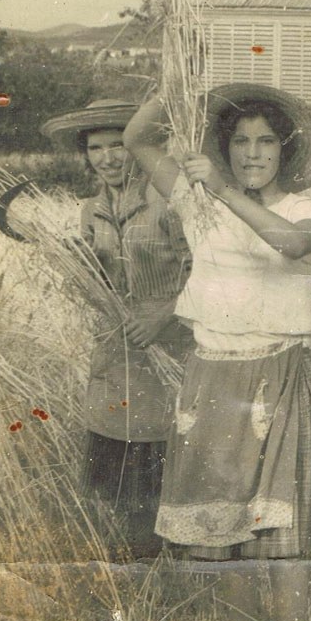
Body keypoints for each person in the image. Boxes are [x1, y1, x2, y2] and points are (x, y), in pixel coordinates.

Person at [123, 83, 311, 621]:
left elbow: (293, 245)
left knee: (275, 519)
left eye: (266, 141)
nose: (253, 152)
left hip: (278, 371)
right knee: (217, 518)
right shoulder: (196, 203)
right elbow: (138, 139)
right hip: (212, 371)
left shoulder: (304, 209)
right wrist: (173, 85)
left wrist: (219, 189)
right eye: (241, 140)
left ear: (284, 151)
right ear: (225, 147)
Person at [40, 99, 193, 560]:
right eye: (95, 147)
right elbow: (99, 283)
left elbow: (207, 268)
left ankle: (175, 560)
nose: (107, 157)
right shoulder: (92, 209)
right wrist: (80, 266)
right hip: (115, 351)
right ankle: (137, 568)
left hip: (171, 345)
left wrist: (163, 314)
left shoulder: (171, 201)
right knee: (121, 465)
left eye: (116, 146)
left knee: (164, 456)